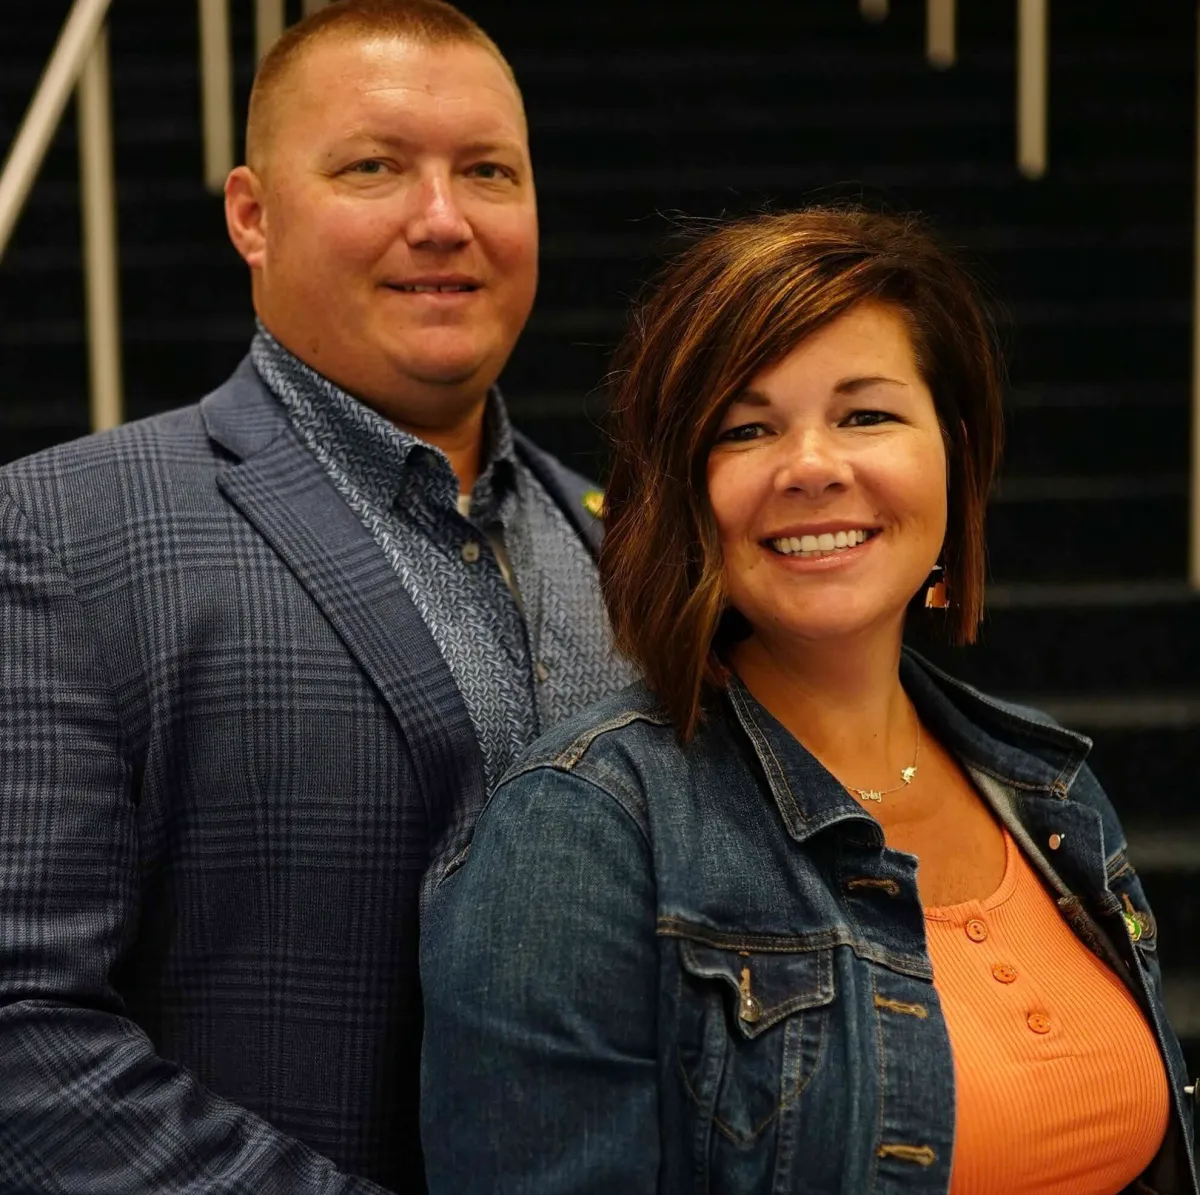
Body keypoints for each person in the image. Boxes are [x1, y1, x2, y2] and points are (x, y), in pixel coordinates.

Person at [420, 207, 1196, 1195]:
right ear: (686, 491)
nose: (814, 466)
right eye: (747, 429)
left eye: (867, 415)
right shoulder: (584, 828)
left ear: (953, 452)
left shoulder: (1048, 785)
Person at [0, 1, 629, 1191]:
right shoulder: (62, 533)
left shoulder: (629, 549)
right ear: (252, 215)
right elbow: (22, 1033)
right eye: (373, 168)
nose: (442, 219)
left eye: (489, 172)